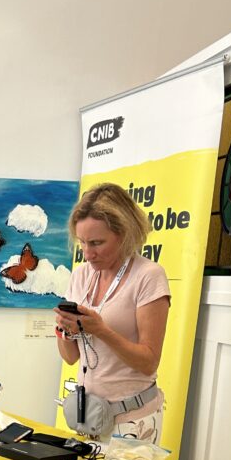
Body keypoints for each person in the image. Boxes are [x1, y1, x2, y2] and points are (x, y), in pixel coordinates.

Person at [54, 183, 171, 444]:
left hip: (132, 420)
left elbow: (149, 362)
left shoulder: (148, 276)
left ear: (125, 233)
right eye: (82, 243)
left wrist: (101, 330)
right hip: (88, 417)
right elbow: (71, 358)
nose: (88, 253)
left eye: (97, 243)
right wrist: (64, 329)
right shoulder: (81, 276)